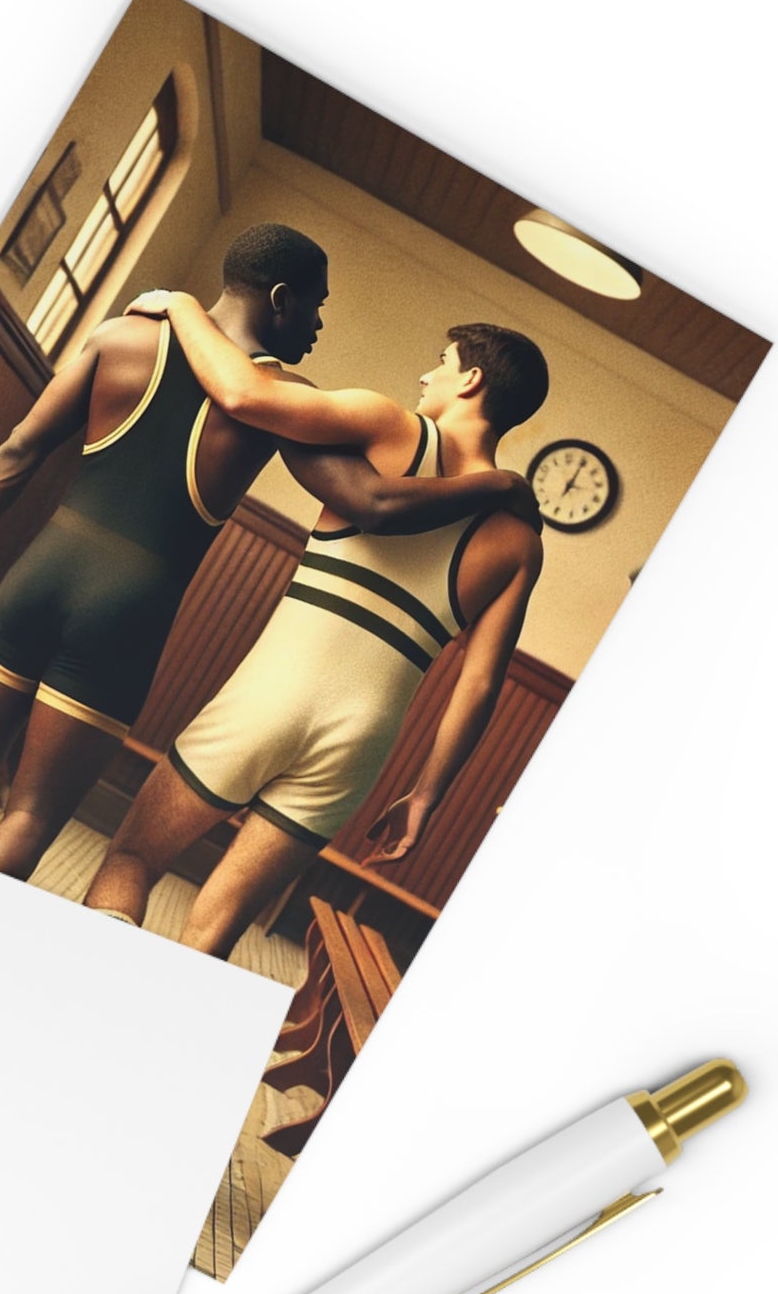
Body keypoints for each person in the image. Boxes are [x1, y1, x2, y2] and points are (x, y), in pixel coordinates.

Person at [0, 224, 536, 879]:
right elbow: (373, 504)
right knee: (29, 816)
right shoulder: (287, 402)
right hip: (126, 614)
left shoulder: (121, 336)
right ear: (281, 300)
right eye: (315, 306)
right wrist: (501, 483)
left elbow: (16, 450)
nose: (317, 325)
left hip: (37, 573)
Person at [84, 292, 549, 957]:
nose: (427, 375)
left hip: (270, 696)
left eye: (441, 362)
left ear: (471, 378)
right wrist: (425, 796)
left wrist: (181, 305)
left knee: (130, 859)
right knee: (214, 929)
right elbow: (478, 685)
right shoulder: (520, 543)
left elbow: (243, 394)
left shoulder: (392, 428)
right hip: (362, 743)